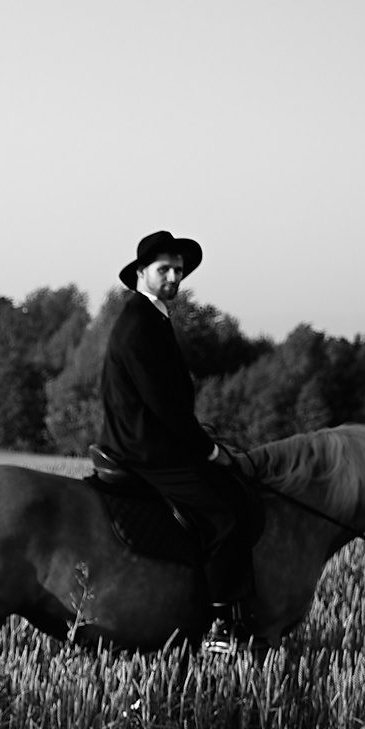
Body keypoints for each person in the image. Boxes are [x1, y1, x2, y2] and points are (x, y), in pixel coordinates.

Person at [97, 230, 259, 640]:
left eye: (178, 271)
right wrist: (208, 452)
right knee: (226, 514)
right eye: (163, 269)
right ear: (140, 273)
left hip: (151, 441)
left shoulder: (152, 317)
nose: (173, 278)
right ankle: (222, 625)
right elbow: (164, 407)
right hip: (144, 448)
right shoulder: (139, 324)